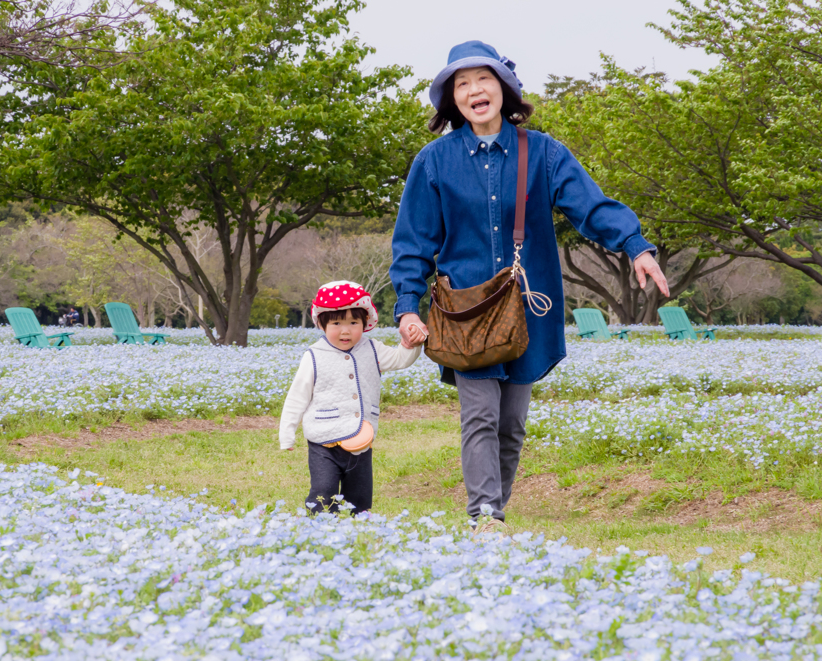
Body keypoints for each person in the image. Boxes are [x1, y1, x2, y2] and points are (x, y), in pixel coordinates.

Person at [389, 41, 670, 533]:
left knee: (510, 426)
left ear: (504, 87)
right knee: (478, 416)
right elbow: (412, 242)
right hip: (465, 313)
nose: (475, 90)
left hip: (528, 309)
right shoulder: (433, 162)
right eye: (462, 84)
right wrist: (408, 307)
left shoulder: (542, 152)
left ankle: (493, 508)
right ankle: (485, 515)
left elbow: (590, 205)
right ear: (452, 100)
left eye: (484, 79)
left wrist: (636, 245)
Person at [279, 281, 427, 515]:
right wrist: (287, 433)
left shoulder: (372, 348)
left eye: (353, 323)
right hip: (323, 440)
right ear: (321, 324)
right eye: (336, 323)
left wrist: (411, 344)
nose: (345, 330)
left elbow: (400, 359)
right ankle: (321, 529)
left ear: (365, 324)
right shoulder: (314, 356)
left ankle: (357, 530)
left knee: (359, 495)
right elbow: (297, 397)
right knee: (324, 491)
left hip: (361, 437)